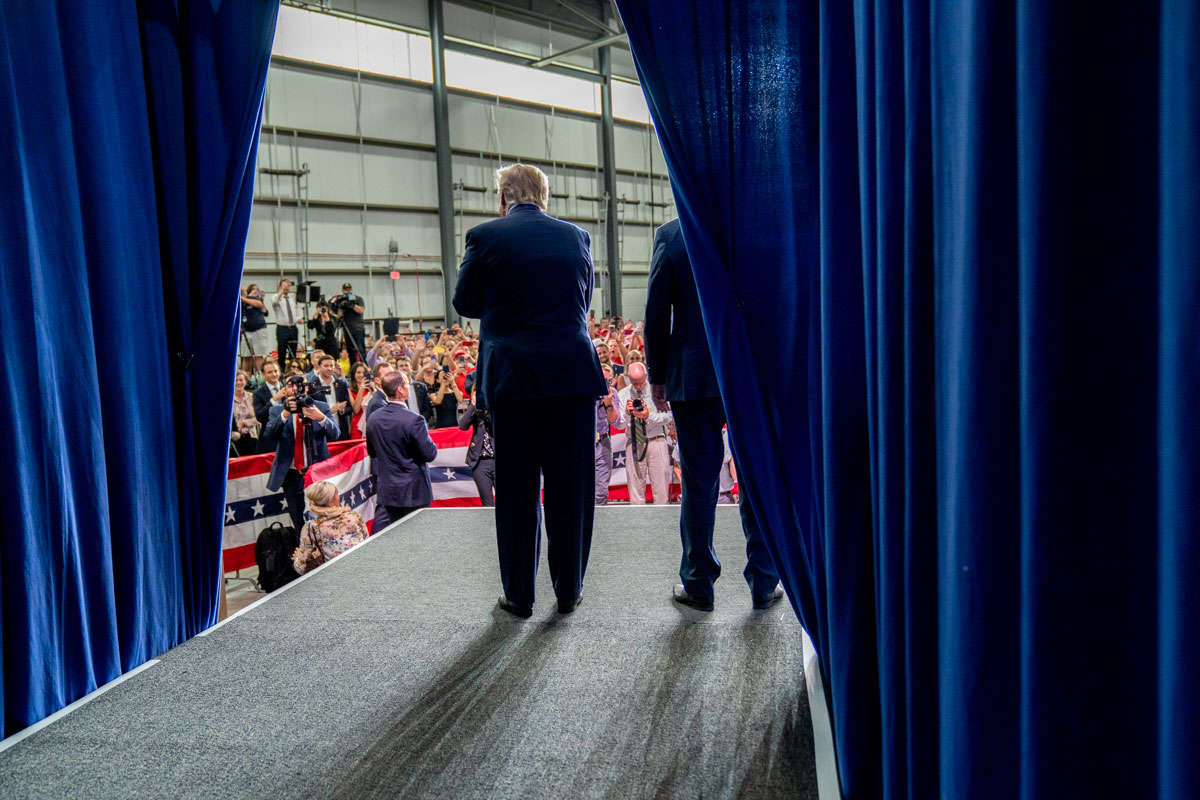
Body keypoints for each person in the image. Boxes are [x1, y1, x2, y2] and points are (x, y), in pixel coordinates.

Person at [452, 163, 606, 618]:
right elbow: (584, 298)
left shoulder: (484, 237)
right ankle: (569, 589)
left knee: (517, 489)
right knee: (571, 487)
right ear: (545, 196)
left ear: (502, 199)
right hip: (570, 376)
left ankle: (519, 595)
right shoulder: (577, 237)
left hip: (512, 379)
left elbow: (464, 302)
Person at [644, 217, 783, 612]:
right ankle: (764, 580)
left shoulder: (671, 234)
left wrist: (657, 375)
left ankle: (699, 583)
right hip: (751, 373)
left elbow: (657, 311)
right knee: (757, 480)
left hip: (693, 376)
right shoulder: (755, 222)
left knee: (699, 483)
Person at [262, 375, 340, 534]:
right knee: (298, 520)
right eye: (290, 385)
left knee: (323, 518)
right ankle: (304, 554)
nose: (295, 389)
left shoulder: (319, 406)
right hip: (291, 475)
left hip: (317, 472)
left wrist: (320, 417)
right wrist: (285, 413)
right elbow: (269, 435)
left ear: (306, 387)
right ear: (285, 389)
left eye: (299, 385)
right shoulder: (276, 410)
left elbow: (336, 434)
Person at [366, 371, 437, 530]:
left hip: (389, 490)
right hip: (414, 491)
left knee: (396, 536)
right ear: (400, 389)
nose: (409, 386)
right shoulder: (414, 420)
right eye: (406, 383)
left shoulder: (374, 418)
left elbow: (372, 452)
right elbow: (430, 454)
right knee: (420, 535)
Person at [617, 362, 673, 505]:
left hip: (656, 440)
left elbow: (669, 416)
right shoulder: (623, 394)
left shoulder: (659, 392)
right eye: (634, 383)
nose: (638, 387)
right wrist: (628, 414)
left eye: (640, 383)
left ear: (646, 376)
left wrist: (649, 415)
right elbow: (619, 424)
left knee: (661, 490)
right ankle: (637, 524)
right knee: (635, 491)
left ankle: (661, 524)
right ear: (628, 378)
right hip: (634, 442)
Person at [291, 481, 367, 575]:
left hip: (337, 578)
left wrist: (297, 558)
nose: (339, 497)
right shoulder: (354, 516)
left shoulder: (311, 528)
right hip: (364, 569)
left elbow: (301, 569)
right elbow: (366, 543)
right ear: (331, 501)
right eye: (337, 494)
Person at [458, 390, 496, 506]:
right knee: (487, 503)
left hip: (497, 461)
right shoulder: (475, 410)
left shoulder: (496, 407)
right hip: (480, 463)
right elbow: (463, 425)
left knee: (506, 501)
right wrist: (473, 405)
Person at [594, 364, 624, 504]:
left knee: (600, 493)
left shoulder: (612, 393)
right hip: (581, 444)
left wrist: (608, 403)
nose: (603, 383)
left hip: (603, 442)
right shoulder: (584, 391)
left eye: (607, 380)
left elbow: (615, 422)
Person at [311, 354, 352, 441]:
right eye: (326, 366)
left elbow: (349, 407)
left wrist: (342, 410)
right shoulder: (312, 385)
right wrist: (330, 410)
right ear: (319, 367)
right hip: (321, 432)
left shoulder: (342, 384)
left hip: (340, 430)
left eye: (331, 366)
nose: (329, 368)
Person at [253, 361, 287, 452]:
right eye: (270, 372)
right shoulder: (258, 393)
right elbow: (260, 416)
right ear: (263, 375)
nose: (274, 374)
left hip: (288, 435)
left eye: (276, 371)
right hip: (270, 438)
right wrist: (274, 400)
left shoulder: (288, 388)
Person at [333, 282, 367, 363]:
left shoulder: (358, 299)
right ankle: (353, 369)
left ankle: (364, 367)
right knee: (351, 351)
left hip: (358, 328)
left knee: (361, 349)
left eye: (349, 289)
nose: (348, 291)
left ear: (351, 290)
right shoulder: (341, 300)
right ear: (342, 291)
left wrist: (351, 305)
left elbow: (361, 310)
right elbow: (338, 316)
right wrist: (341, 306)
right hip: (347, 329)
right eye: (345, 290)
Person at [239, 283, 269, 375]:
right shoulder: (238, 304)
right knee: (246, 356)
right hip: (245, 331)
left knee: (258, 356)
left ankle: (260, 379)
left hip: (258, 330)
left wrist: (243, 298)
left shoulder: (253, 298)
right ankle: (246, 379)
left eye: (242, 291)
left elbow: (259, 304)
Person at [229, 371, 260, 458]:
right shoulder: (228, 398)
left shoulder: (252, 397)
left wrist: (244, 423)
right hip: (233, 438)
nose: (238, 382)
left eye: (241, 380)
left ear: (245, 382)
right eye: (236, 380)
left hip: (250, 436)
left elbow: (258, 417)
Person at [359, 362, 393, 438]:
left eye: (393, 374)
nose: (393, 378)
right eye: (388, 375)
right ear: (377, 380)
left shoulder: (385, 398)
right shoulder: (377, 403)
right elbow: (383, 434)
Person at [272, 278, 300, 362]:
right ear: (280, 287)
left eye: (288, 286)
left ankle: (292, 368)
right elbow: (274, 301)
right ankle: (282, 370)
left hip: (293, 327)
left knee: (293, 351)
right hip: (282, 328)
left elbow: (294, 313)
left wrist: (298, 319)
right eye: (284, 285)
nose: (286, 287)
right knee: (282, 351)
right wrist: (282, 290)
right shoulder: (276, 297)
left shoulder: (291, 298)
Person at [347, 362, 372, 439]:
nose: (361, 375)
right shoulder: (350, 390)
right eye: (358, 372)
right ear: (353, 374)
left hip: (370, 424)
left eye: (364, 373)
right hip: (357, 427)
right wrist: (361, 389)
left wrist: (373, 390)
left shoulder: (371, 388)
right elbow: (356, 410)